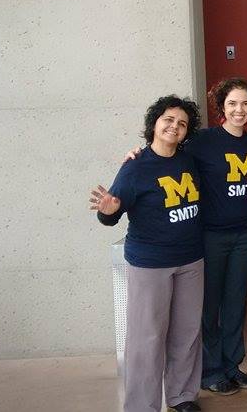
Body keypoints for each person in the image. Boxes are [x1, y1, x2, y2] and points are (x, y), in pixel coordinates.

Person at [90, 95, 205, 412]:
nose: (174, 126)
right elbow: (111, 212)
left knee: (187, 333)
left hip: (191, 260)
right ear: (154, 123)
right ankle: (142, 405)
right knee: (147, 339)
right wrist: (107, 211)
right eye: (168, 119)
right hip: (151, 264)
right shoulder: (135, 167)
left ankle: (183, 396)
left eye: (182, 123)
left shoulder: (188, 160)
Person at [189, 78, 247, 396]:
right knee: (210, 306)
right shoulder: (203, 140)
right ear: (222, 105)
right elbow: (166, 155)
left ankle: (232, 365)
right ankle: (210, 371)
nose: (240, 109)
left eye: (246, 103)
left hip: (245, 234)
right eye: (233, 103)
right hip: (212, 235)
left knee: (236, 303)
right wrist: (137, 155)